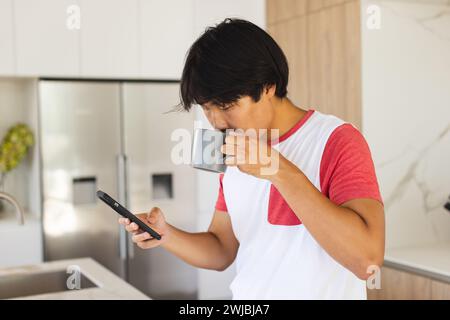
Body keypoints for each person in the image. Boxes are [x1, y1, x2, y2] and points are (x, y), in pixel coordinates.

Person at [119, 18, 385, 299]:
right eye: (207, 108)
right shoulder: (231, 146)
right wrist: (165, 234)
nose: (217, 122)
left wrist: (278, 171)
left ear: (268, 86)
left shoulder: (338, 140)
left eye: (227, 106)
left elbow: (367, 261)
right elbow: (221, 248)